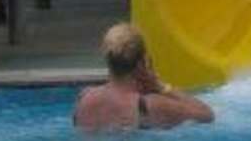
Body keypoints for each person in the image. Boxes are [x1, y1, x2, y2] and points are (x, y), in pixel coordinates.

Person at [74, 22, 214, 130]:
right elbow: (207, 115)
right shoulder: (151, 105)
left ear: (107, 59)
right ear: (141, 63)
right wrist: (161, 87)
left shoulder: (84, 98)